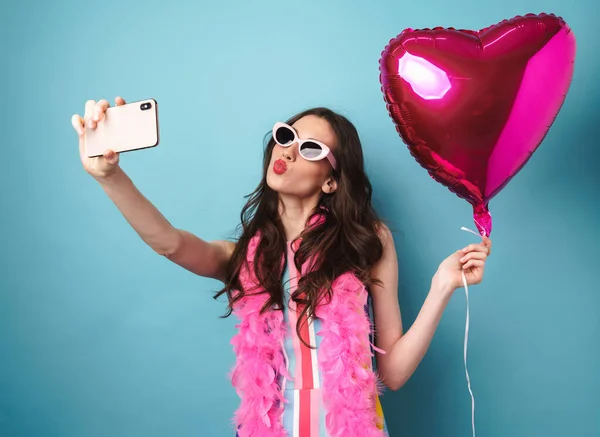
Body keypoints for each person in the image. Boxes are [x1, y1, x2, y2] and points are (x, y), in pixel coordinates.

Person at [72, 97, 492, 437]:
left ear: (331, 180)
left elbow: (394, 374)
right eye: (286, 136)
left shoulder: (367, 241)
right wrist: (110, 177)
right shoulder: (244, 257)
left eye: (310, 148)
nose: (288, 150)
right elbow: (169, 243)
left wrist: (442, 287)